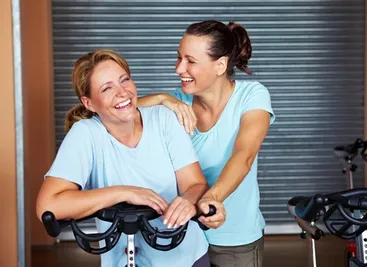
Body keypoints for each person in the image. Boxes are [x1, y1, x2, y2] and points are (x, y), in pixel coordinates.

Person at [35, 49, 226, 267]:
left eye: (124, 80)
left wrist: (188, 200)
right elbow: (48, 206)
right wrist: (124, 192)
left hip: (186, 256)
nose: (122, 92)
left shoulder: (164, 119)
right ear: (88, 103)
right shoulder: (85, 134)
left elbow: (195, 184)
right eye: (107, 88)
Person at [137, 20, 276, 267]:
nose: (179, 68)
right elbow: (114, 111)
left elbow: (243, 155)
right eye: (179, 58)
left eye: (190, 61)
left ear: (220, 65)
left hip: (233, 240)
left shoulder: (252, 96)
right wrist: (162, 98)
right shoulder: (177, 103)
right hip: (184, 236)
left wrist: (211, 199)